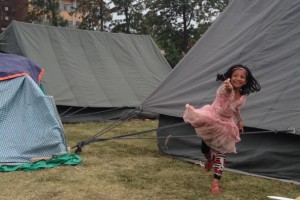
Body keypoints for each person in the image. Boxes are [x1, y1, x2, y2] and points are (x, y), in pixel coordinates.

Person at [183, 64, 261, 195]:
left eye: (242, 77)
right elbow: (224, 93)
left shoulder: (243, 96)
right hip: (212, 117)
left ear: (246, 81)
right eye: (235, 76)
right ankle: (209, 159)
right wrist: (228, 88)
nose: (238, 79)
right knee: (205, 147)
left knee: (222, 152)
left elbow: (235, 107)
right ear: (230, 77)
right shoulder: (225, 88)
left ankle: (215, 183)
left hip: (225, 123)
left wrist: (240, 120)